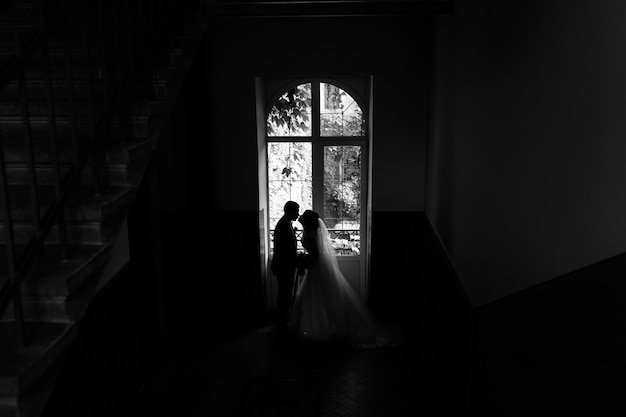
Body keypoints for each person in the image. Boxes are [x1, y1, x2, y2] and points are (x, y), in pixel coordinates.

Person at [287, 210, 401, 348]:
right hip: (314, 270)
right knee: (315, 297)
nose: (300, 218)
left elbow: (316, 256)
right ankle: (315, 327)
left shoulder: (312, 236)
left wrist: (305, 262)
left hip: (316, 269)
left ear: (307, 222)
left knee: (321, 297)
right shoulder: (309, 233)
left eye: (303, 219)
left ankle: (326, 328)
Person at [270, 201, 300, 334]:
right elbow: (285, 251)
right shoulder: (283, 226)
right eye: (296, 211)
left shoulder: (286, 224)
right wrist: (297, 262)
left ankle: (282, 322)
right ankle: (281, 324)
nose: (298, 214)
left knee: (285, 294)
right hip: (284, 266)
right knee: (284, 295)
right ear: (289, 211)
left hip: (285, 265)